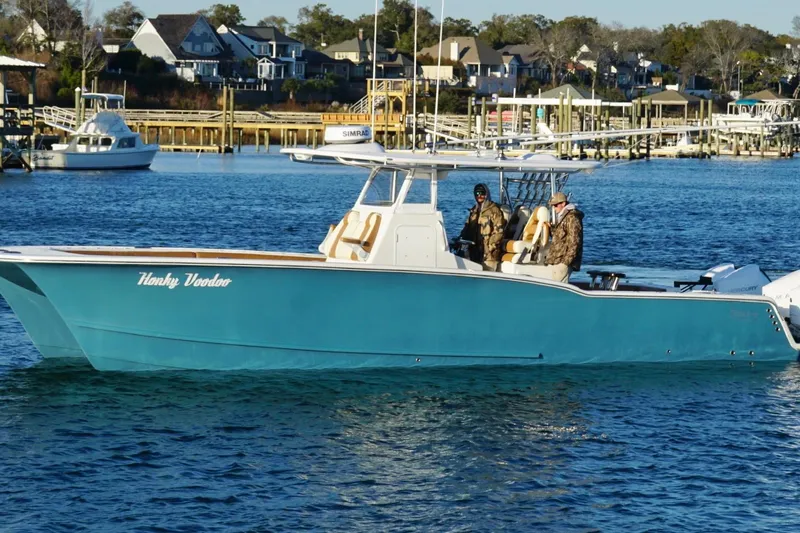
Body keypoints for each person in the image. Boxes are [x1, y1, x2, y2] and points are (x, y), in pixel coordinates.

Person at [459, 183, 506, 271]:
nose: (479, 196)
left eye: (482, 193)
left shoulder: (494, 210)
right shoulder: (474, 210)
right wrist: (461, 239)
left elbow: (499, 232)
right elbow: (467, 227)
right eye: (477, 193)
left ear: (486, 194)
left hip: (489, 255)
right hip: (474, 251)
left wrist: (491, 247)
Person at [545, 191, 584, 282]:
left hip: (563, 260)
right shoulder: (562, 216)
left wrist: (566, 262)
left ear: (563, 203)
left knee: (559, 287)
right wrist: (550, 228)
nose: (553, 208)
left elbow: (575, 241)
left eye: (555, 205)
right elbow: (559, 236)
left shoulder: (572, 217)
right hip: (558, 258)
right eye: (552, 206)